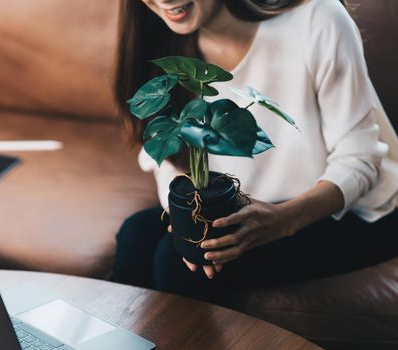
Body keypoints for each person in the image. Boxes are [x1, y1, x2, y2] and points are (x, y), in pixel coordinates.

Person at [112, 0, 398, 306]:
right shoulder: (161, 41)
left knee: (174, 260)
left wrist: (282, 221)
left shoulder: (318, 17)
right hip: (248, 205)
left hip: (361, 211)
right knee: (137, 234)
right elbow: (166, 153)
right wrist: (187, 214)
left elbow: (361, 155)